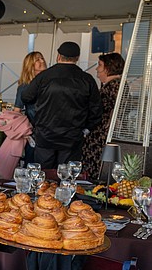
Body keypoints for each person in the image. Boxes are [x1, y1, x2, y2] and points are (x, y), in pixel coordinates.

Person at [20, 41, 103, 169]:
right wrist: (86, 129)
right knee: (67, 178)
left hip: (45, 135)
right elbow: (96, 110)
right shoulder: (87, 79)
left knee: (43, 176)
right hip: (73, 138)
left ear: (58, 56)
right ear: (77, 58)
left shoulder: (44, 76)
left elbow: (26, 97)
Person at [82, 52, 124, 172]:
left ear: (108, 68)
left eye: (100, 65)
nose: (97, 68)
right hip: (100, 135)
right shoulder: (113, 85)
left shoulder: (114, 86)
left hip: (101, 137)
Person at [13, 51, 47, 126]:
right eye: (38, 60)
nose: (42, 61)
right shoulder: (24, 86)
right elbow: (17, 110)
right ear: (30, 65)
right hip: (35, 127)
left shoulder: (50, 82)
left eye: (42, 58)